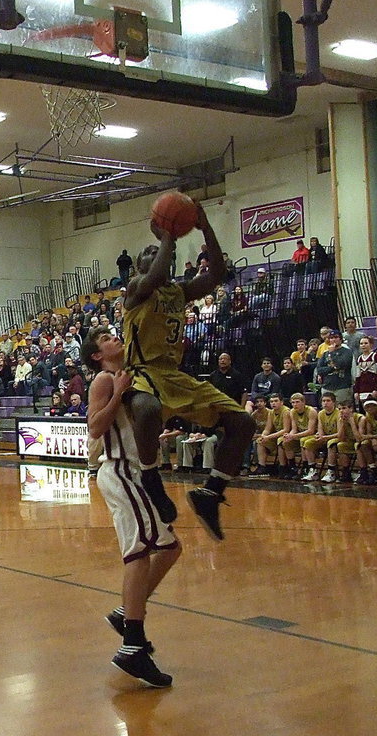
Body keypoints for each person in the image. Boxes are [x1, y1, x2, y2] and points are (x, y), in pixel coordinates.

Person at [122, 204, 255, 540]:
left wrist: (206, 228)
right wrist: (168, 235)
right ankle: (151, 477)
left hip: (174, 374)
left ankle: (210, 493)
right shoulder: (137, 287)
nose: (156, 253)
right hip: (140, 372)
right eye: (148, 252)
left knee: (243, 423)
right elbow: (156, 273)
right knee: (149, 408)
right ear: (137, 266)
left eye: (159, 250)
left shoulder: (178, 292)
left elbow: (217, 273)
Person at [83, 326, 180, 687]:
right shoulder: (104, 380)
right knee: (138, 553)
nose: (114, 338)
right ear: (97, 354)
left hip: (136, 471)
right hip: (120, 470)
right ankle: (132, 646)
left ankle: (127, 612)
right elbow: (94, 428)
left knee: (170, 548)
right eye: (106, 339)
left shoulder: (132, 375)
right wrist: (118, 393)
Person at [301, 391, 339, 482]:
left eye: (328, 401)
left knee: (331, 443)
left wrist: (324, 438)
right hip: (325, 437)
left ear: (333, 402)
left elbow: (340, 434)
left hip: (337, 438)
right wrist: (321, 437)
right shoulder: (321, 413)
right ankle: (312, 470)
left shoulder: (338, 413)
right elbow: (320, 430)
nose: (325, 403)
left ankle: (331, 471)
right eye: (323, 401)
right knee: (307, 442)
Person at [251, 394, 290, 478]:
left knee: (280, 440)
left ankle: (282, 467)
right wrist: (264, 436)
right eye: (272, 401)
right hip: (275, 437)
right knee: (260, 441)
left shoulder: (286, 411)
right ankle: (262, 467)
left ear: (282, 402)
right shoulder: (271, 412)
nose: (273, 403)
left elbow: (285, 430)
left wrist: (268, 437)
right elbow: (267, 429)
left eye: (276, 401)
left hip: (286, 436)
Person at [281, 393, 318, 479]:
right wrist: (289, 435)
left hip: (312, 436)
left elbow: (310, 431)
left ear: (304, 402)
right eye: (293, 402)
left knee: (303, 440)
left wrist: (294, 436)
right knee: (285, 442)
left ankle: (306, 467)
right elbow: (294, 429)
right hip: (300, 435)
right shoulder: (292, 412)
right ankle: (292, 467)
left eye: (297, 402)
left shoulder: (311, 411)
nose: (295, 404)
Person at [315, 330, 354, 403]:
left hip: (342, 386)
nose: (333, 339)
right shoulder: (325, 353)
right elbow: (319, 369)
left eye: (336, 337)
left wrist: (332, 353)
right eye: (331, 338)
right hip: (327, 386)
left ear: (341, 339)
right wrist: (332, 368)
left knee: (343, 408)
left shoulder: (347, 352)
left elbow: (342, 364)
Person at [356, 399, 377, 485]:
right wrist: (372, 439)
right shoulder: (368, 415)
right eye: (366, 408)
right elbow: (369, 432)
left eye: (370, 406)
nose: (368, 409)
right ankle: (374, 470)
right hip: (376, 437)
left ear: (376, 406)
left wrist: (372, 437)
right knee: (363, 444)